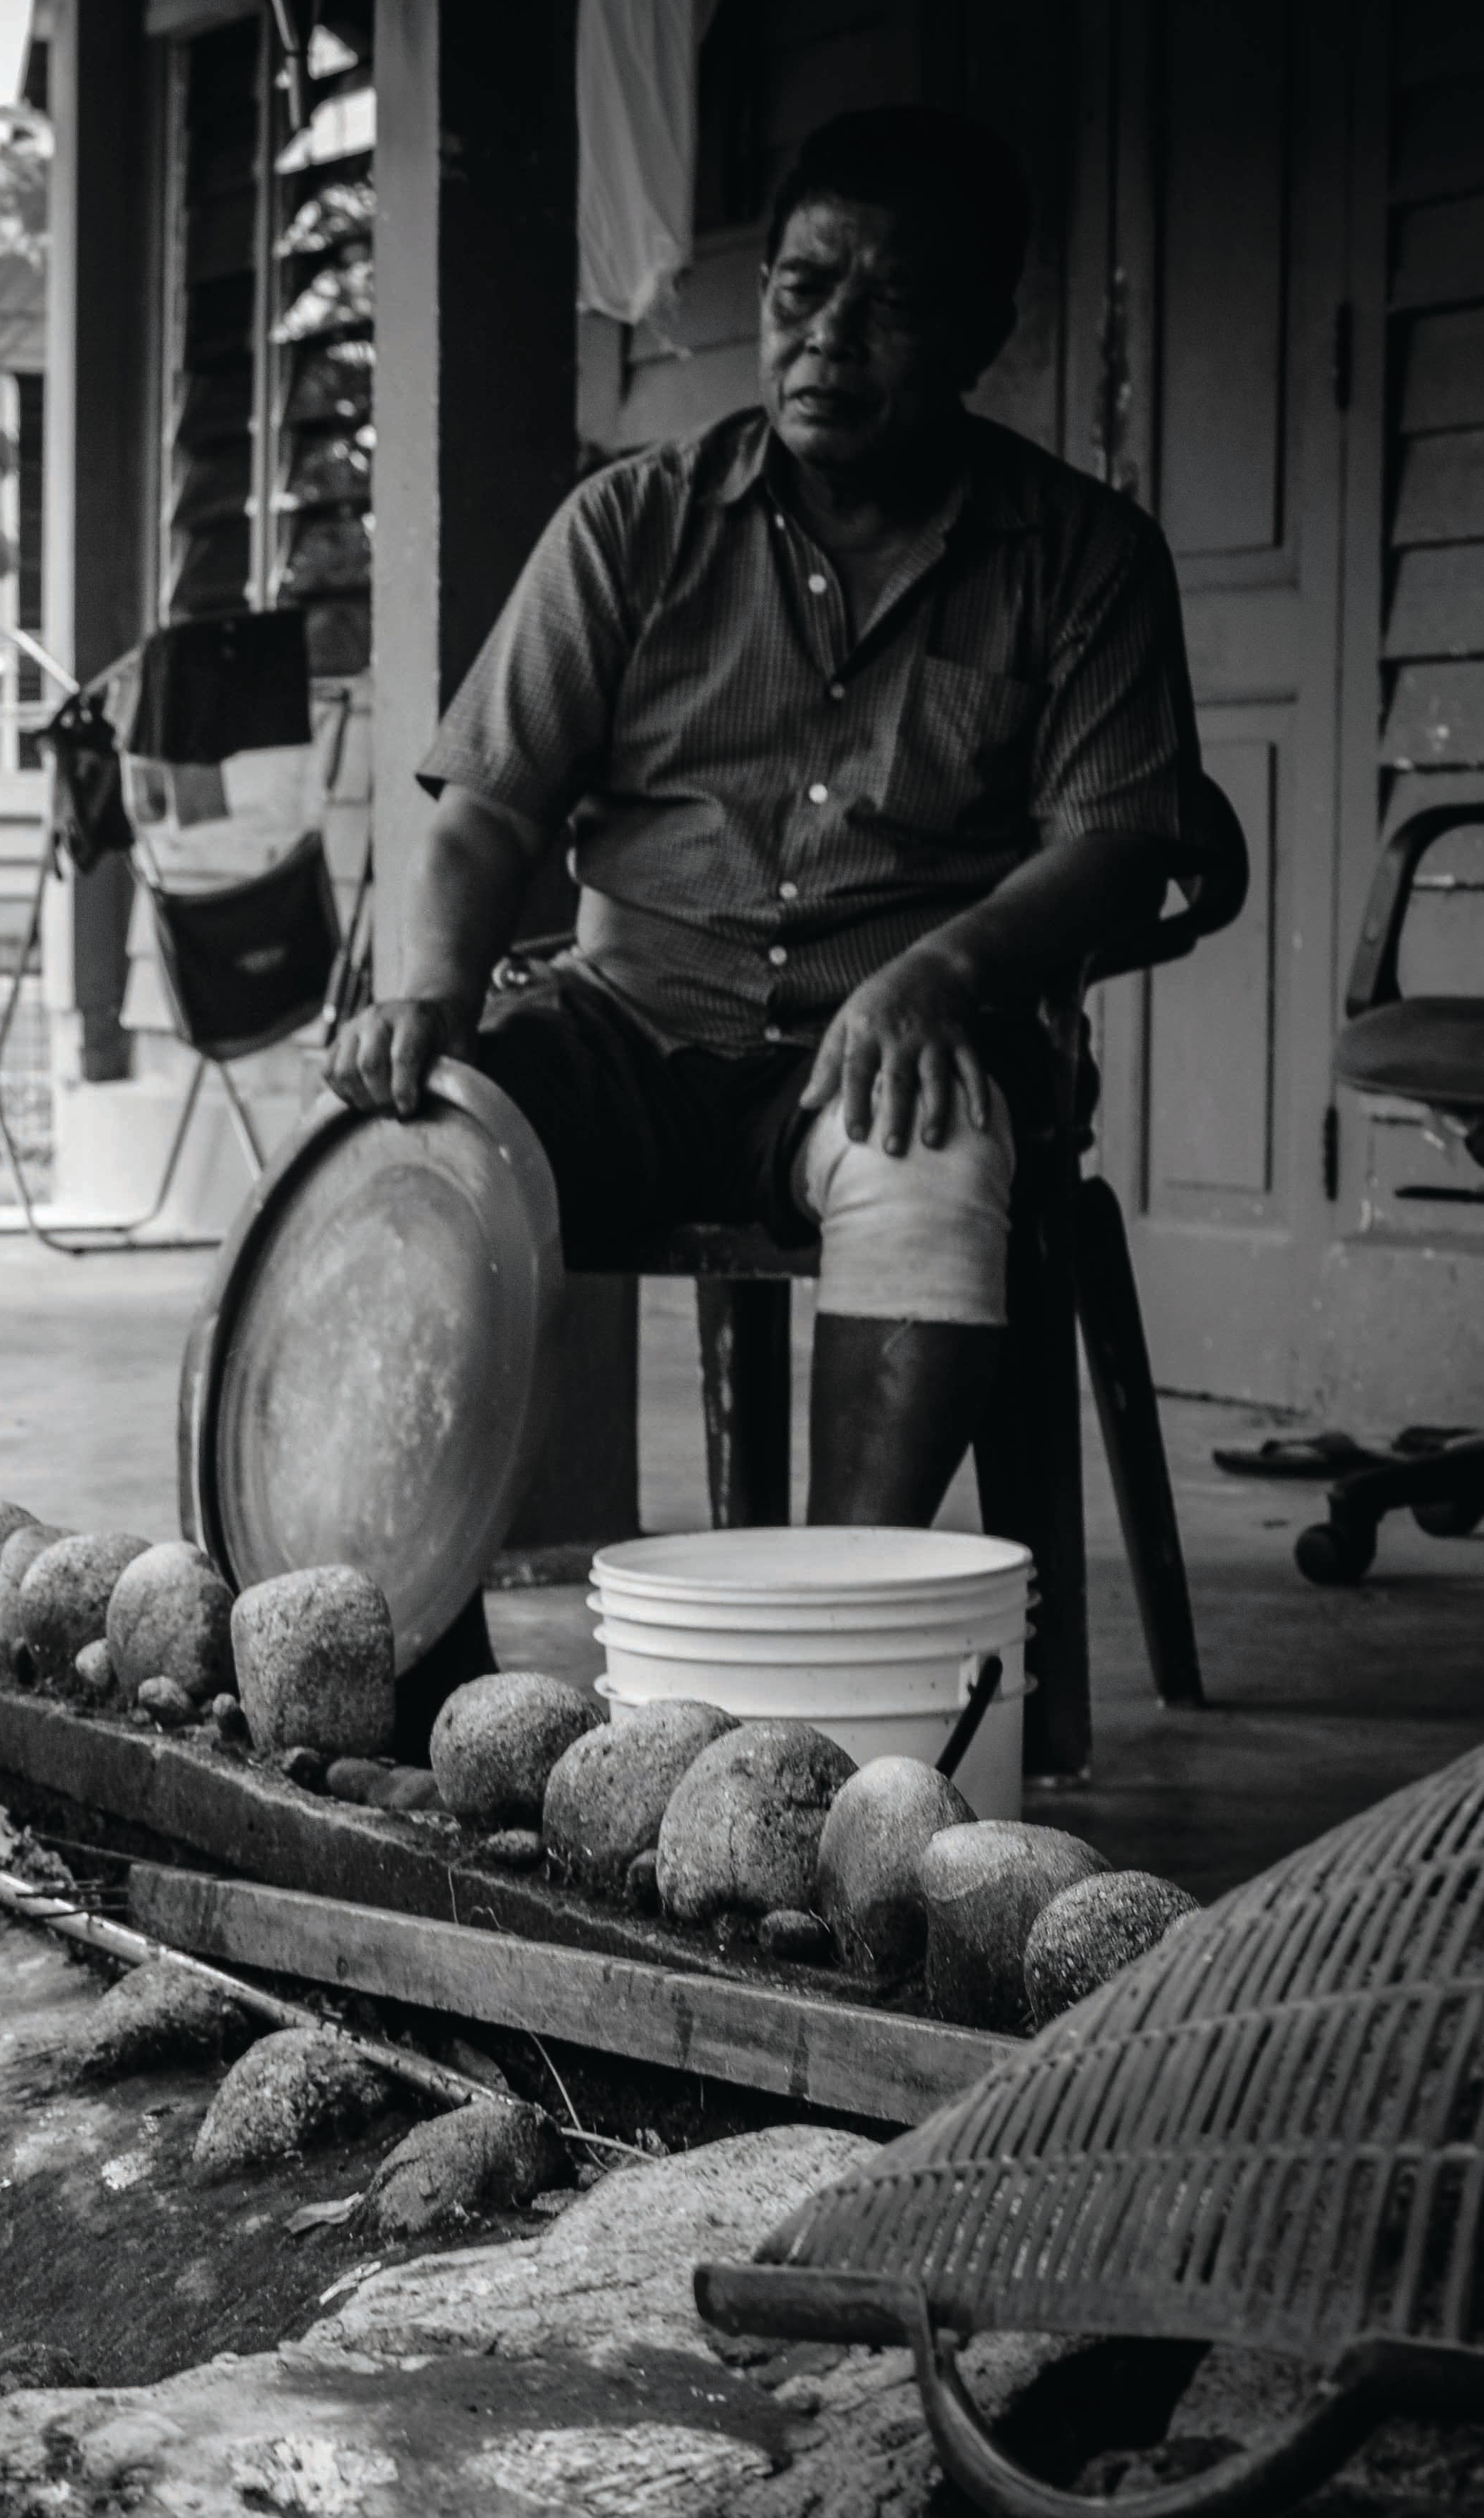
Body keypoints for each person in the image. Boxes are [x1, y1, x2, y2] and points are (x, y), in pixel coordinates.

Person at [326, 105, 1198, 1524]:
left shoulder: (1082, 558)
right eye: (802, 291)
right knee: (414, 1153)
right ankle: (408, 1628)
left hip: (895, 1037)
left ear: (981, 333)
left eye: (891, 305)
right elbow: (486, 815)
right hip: (624, 1030)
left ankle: (837, 1627)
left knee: (927, 1163)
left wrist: (943, 974)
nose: (829, 340)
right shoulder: (631, 525)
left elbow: (1117, 845)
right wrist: (428, 992)